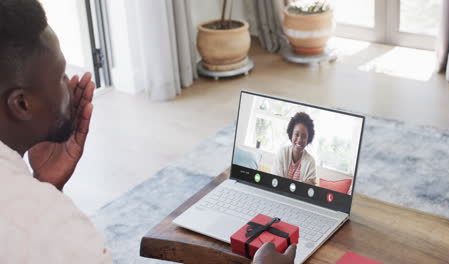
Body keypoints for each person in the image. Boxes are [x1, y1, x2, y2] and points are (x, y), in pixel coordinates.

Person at [0, 0, 296, 263]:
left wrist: (47, 188)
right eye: (60, 74)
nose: (69, 83)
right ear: (22, 104)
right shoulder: (51, 230)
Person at [272, 112, 317, 184]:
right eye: (296, 134)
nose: (299, 140)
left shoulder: (310, 161)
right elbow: (276, 181)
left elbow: (309, 187)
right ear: (291, 134)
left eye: (304, 136)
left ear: (308, 139)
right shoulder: (282, 153)